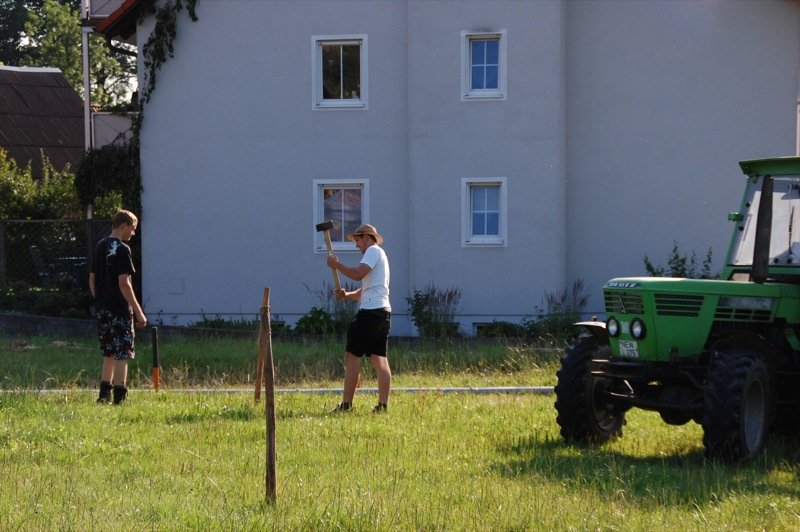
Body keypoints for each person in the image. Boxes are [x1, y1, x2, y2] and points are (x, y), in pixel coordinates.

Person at [326, 223, 392, 413]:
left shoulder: (373, 251)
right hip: (382, 312)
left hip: (370, 312)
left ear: (367, 237)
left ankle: (346, 405)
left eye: (357, 240)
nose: (356, 245)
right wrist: (347, 295)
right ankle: (382, 406)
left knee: (352, 356)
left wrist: (336, 265)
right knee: (379, 359)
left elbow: (357, 274)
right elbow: (366, 289)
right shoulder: (380, 256)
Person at [88, 210, 147, 404]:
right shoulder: (122, 249)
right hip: (119, 308)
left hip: (103, 307)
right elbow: (124, 284)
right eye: (133, 228)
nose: (133, 233)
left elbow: (92, 279)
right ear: (124, 226)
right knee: (122, 352)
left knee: (109, 351)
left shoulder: (100, 246)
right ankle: (119, 396)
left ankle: (104, 394)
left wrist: (99, 300)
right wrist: (138, 312)